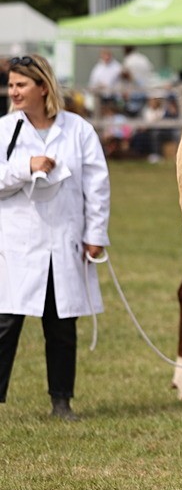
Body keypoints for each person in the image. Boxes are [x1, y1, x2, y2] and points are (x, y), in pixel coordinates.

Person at [0, 55, 111, 420]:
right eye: (12, 85)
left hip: (65, 241)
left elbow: (97, 186)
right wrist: (24, 167)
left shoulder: (78, 130)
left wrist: (95, 234)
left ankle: (61, 401)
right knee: (5, 325)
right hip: (16, 244)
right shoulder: (5, 130)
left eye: (21, 85)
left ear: (42, 87)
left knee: (61, 327)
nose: (13, 92)